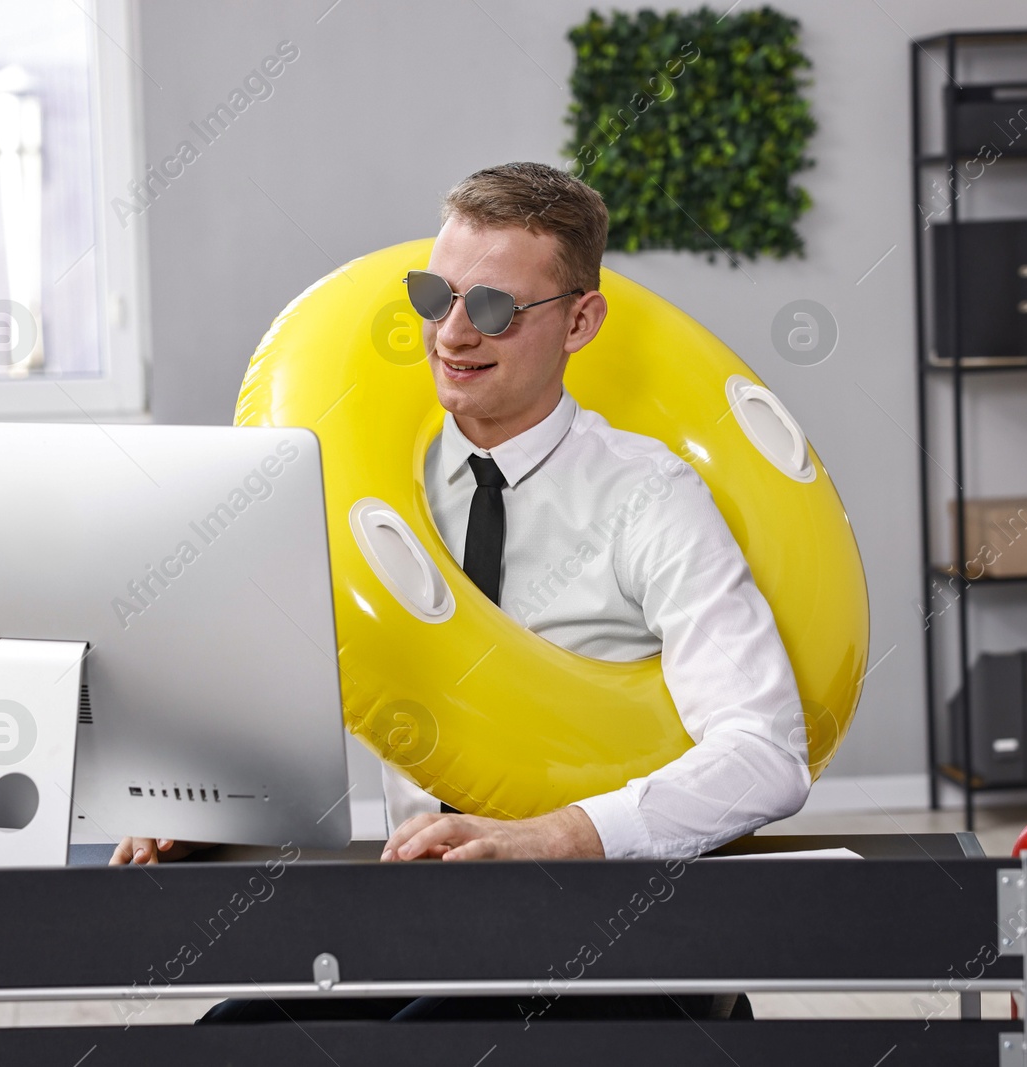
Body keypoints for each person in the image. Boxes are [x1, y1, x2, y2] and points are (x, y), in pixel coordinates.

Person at [113, 162, 811, 1021]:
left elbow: (768, 751)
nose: (450, 333)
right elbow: (287, 688)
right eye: (435, 294)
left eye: (492, 309)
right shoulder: (352, 493)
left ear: (579, 321)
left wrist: (554, 837)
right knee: (234, 1035)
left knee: (428, 1041)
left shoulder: (648, 495)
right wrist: (205, 801)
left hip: (601, 921)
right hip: (417, 916)